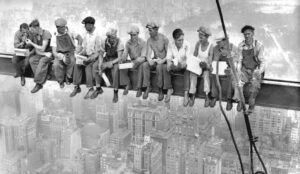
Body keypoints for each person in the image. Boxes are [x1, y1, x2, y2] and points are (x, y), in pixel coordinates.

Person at [70, 16, 101, 99]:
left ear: (91, 25)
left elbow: (98, 52)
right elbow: (85, 48)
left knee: (88, 67)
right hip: (86, 56)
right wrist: (80, 54)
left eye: (86, 25)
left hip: (95, 58)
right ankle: (76, 86)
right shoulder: (86, 34)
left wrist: (90, 58)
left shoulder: (97, 35)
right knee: (77, 64)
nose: (85, 27)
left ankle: (90, 88)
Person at [210, 33, 242, 111]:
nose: (217, 44)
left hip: (230, 69)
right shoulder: (215, 48)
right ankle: (214, 96)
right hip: (219, 68)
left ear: (225, 41)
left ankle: (229, 99)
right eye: (217, 42)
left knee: (231, 75)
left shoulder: (234, 48)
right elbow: (214, 61)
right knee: (213, 74)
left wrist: (230, 61)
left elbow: (238, 63)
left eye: (219, 42)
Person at [237, 25, 265, 114]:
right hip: (245, 69)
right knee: (238, 84)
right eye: (245, 34)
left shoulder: (258, 45)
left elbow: (262, 61)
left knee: (253, 88)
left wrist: (259, 71)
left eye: (248, 34)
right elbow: (239, 60)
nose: (247, 36)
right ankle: (240, 101)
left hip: (255, 70)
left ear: (253, 34)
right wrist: (239, 70)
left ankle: (251, 106)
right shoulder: (241, 45)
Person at [94, 27, 124, 103]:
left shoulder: (120, 42)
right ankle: (98, 88)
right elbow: (101, 54)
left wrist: (110, 63)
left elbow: (120, 58)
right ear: (108, 37)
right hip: (107, 58)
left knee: (115, 70)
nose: (113, 39)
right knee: (96, 65)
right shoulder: (104, 42)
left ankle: (115, 91)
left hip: (115, 60)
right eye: (111, 38)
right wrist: (101, 64)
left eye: (114, 37)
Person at [51, 18, 83, 88]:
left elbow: (80, 38)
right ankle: (60, 81)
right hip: (60, 53)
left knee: (72, 61)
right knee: (56, 65)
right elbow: (54, 52)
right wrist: (61, 56)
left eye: (64, 27)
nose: (64, 29)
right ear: (57, 28)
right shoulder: (54, 35)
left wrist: (79, 46)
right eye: (61, 28)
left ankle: (68, 78)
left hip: (70, 52)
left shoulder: (70, 30)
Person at [143, 22, 170, 101]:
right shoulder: (149, 40)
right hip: (156, 60)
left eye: (150, 30)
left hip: (164, 61)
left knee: (159, 67)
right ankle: (148, 86)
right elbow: (148, 55)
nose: (149, 32)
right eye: (148, 30)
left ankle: (160, 89)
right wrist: (150, 60)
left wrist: (162, 61)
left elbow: (169, 55)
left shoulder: (164, 39)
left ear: (156, 30)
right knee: (145, 65)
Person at [26, 19, 52, 93]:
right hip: (43, 54)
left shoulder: (46, 33)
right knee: (32, 60)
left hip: (50, 54)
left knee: (42, 61)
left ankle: (38, 83)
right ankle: (45, 75)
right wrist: (43, 54)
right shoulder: (35, 36)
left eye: (32, 30)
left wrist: (31, 43)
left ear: (37, 28)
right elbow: (37, 50)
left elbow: (43, 48)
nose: (31, 32)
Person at [120, 25, 147, 97]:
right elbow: (125, 53)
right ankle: (128, 84)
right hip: (132, 62)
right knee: (121, 66)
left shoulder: (143, 43)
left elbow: (144, 57)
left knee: (141, 66)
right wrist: (123, 57)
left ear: (138, 34)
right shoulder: (128, 43)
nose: (132, 37)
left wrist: (137, 61)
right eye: (131, 35)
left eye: (134, 35)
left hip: (140, 61)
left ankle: (139, 88)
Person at [189, 26, 213, 107]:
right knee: (192, 74)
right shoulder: (198, 44)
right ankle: (192, 94)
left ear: (206, 37)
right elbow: (195, 56)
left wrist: (206, 65)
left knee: (206, 76)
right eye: (199, 37)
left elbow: (210, 62)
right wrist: (193, 63)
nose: (200, 39)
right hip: (197, 66)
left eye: (202, 37)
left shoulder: (210, 46)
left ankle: (207, 95)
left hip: (205, 67)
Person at [166, 28, 190, 106]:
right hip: (176, 65)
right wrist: (169, 64)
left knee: (187, 70)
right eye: (179, 40)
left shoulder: (187, 44)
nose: (181, 42)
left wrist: (184, 62)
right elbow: (169, 57)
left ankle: (186, 93)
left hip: (184, 66)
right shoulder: (171, 44)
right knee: (167, 68)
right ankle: (169, 89)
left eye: (182, 40)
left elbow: (188, 58)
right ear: (174, 40)